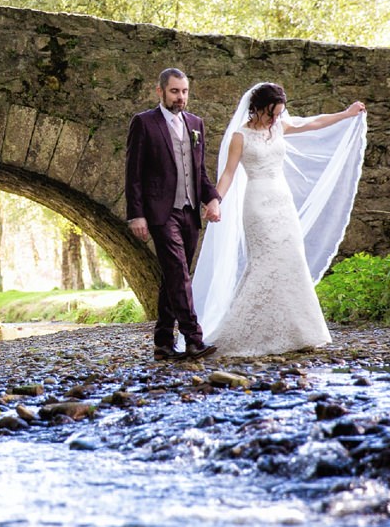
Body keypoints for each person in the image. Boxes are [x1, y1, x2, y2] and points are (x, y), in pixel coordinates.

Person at [191, 82, 367, 357]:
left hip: (282, 202)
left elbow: (315, 123)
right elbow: (228, 174)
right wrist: (216, 200)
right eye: (271, 113)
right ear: (257, 109)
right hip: (257, 204)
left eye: (279, 113)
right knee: (264, 263)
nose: (275, 119)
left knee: (291, 260)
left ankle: (299, 331)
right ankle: (241, 333)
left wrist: (346, 114)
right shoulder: (240, 136)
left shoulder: (279, 126)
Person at [125, 68, 222, 362]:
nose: (180, 98)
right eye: (174, 92)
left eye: (184, 92)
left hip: (190, 211)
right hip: (160, 212)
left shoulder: (196, 124)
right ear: (160, 91)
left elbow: (199, 171)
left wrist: (212, 199)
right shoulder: (144, 123)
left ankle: (163, 342)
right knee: (179, 274)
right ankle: (194, 339)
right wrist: (136, 215)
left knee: (173, 277)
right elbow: (134, 174)